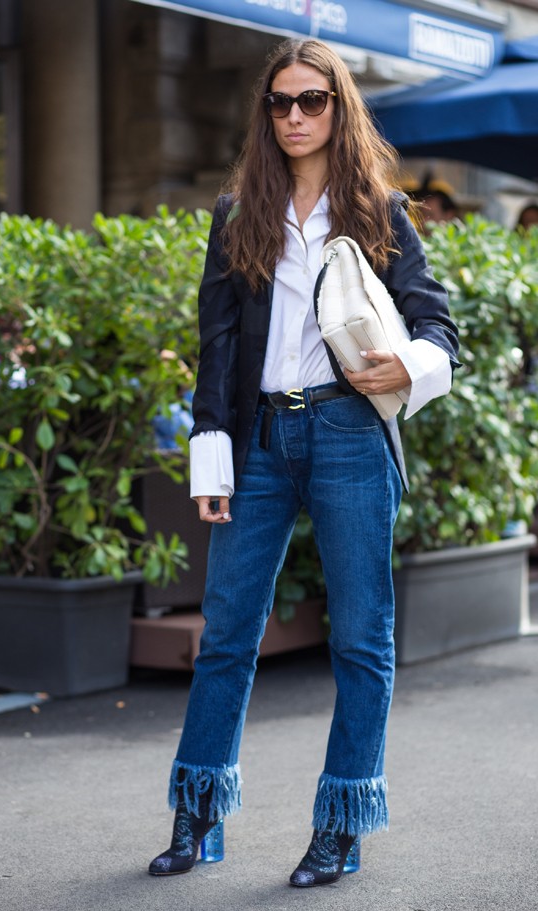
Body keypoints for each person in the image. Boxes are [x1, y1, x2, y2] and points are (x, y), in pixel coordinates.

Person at [148, 38, 459, 888]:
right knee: (227, 633)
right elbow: (214, 343)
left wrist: (411, 367)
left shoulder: (380, 211)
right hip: (256, 442)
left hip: (350, 435)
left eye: (310, 100)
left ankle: (340, 822)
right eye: (279, 102)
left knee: (360, 638)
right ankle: (199, 808)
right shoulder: (237, 211)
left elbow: (437, 325)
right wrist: (210, 461)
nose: (293, 116)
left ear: (337, 107)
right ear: (265, 113)